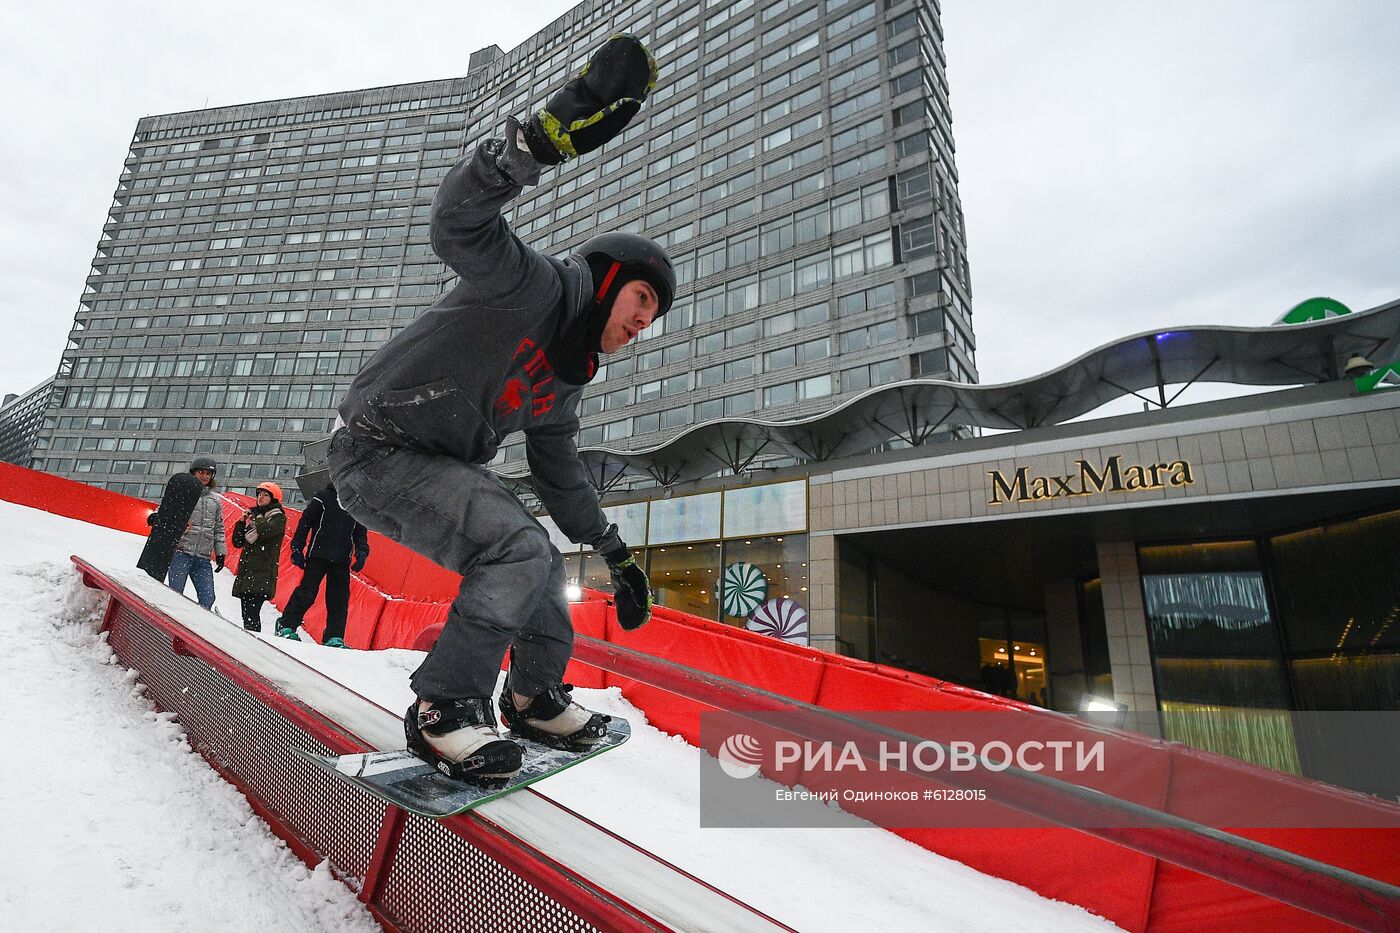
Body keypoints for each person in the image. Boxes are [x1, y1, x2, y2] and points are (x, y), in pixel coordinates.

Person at [328, 34, 663, 786]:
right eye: (644, 299)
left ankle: (535, 695)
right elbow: (457, 220)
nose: (646, 321)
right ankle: (444, 707)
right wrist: (543, 135)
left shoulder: (568, 377)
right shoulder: (530, 285)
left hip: (433, 464)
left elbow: (561, 472)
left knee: (537, 554)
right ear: (610, 279)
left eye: (654, 314)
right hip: (375, 447)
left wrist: (614, 551)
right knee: (513, 545)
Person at [276, 482, 369, 646]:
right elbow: (306, 521)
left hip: (341, 559)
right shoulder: (324, 497)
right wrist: (297, 547)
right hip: (318, 555)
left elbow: (360, 531)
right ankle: (286, 625)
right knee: (307, 593)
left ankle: (334, 636)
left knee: (339, 599)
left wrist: (362, 551)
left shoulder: (355, 503)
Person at [167, 455, 227, 610]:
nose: (205, 476)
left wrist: (221, 553)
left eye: (208, 473)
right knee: (175, 594)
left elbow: (218, 528)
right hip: (181, 553)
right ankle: (173, 627)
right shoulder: (183, 492)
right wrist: (156, 518)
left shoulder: (215, 500)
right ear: (193, 473)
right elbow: (166, 510)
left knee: (208, 598)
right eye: (201, 472)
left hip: (202, 558)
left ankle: (195, 626)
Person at [231, 481, 287, 632]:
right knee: (246, 614)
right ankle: (249, 636)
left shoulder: (278, 518)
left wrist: (257, 517)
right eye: (259, 495)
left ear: (273, 499)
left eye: (265, 495)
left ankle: (253, 640)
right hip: (248, 573)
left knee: (252, 614)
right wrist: (242, 522)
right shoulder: (256, 518)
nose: (260, 498)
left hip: (263, 574)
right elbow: (237, 542)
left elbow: (266, 531)